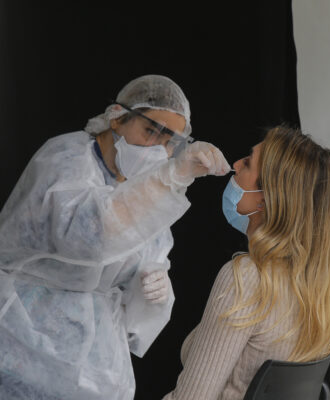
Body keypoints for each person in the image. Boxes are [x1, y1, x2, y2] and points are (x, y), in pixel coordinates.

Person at [0, 74, 230, 400]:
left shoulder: (142, 184)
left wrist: (153, 292)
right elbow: (88, 234)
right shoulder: (65, 158)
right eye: (151, 131)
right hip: (22, 331)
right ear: (117, 118)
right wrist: (173, 175)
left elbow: (146, 257)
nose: (158, 149)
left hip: (96, 349)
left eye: (171, 142)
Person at [162, 125, 330, 400]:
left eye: (247, 163)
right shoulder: (321, 285)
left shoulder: (247, 278)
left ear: (267, 199)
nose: (235, 164)